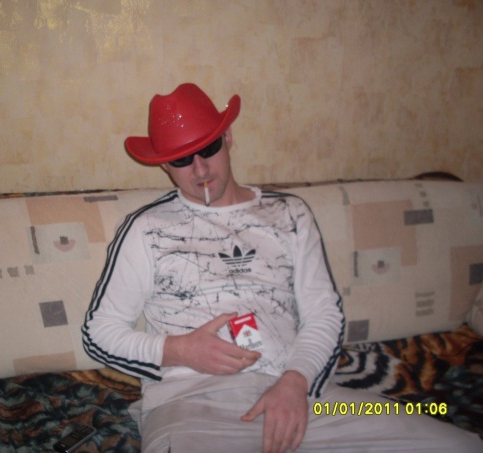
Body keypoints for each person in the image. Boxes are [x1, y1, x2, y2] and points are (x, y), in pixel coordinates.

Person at [82, 83, 480, 452]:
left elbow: (324, 314)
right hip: (194, 405)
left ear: (228, 137)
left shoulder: (289, 214)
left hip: (301, 396)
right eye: (182, 159)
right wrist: (179, 350)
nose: (200, 169)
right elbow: (99, 334)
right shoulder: (146, 228)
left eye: (209, 148)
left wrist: (296, 380)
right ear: (165, 166)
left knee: (457, 445)